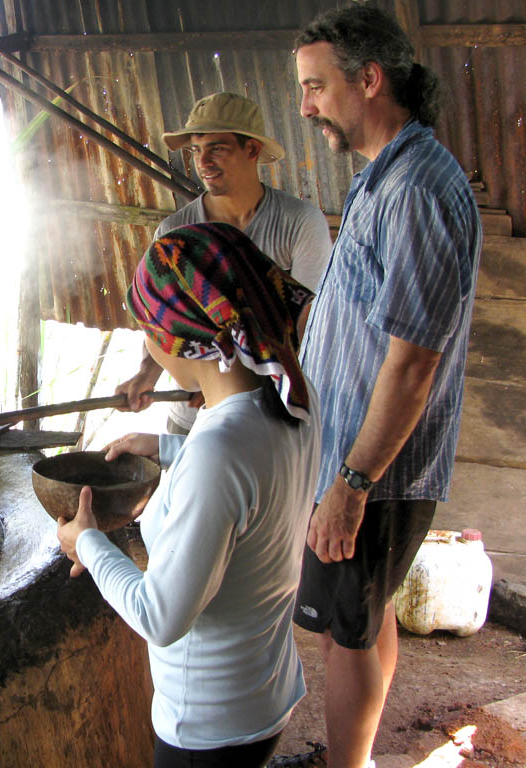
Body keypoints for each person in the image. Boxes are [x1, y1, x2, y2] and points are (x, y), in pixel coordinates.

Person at [286, 5, 483, 768]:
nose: (305, 107)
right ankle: (357, 760)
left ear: (369, 80)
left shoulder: (417, 190)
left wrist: (352, 482)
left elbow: (412, 364)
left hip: (378, 466)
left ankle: (348, 767)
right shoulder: (385, 177)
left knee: (345, 631)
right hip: (357, 456)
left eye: (315, 87)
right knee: (365, 617)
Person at [57, 222, 322, 768]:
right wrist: (170, 447)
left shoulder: (220, 451)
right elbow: (253, 476)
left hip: (208, 726)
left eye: (149, 330)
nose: (149, 345)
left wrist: (87, 544)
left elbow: (161, 617)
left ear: (183, 337)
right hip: (265, 694)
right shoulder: (290, 391)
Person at [116, 91, 331, 435]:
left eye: (217, 148)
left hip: (266, 415)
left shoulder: (300, 223)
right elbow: (165, 319)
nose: (203, 162)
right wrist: (147, 373)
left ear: (252, 150)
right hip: (190, 415)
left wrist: (222, 382)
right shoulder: (175, 232)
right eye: (196, 150)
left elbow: (305, 327)